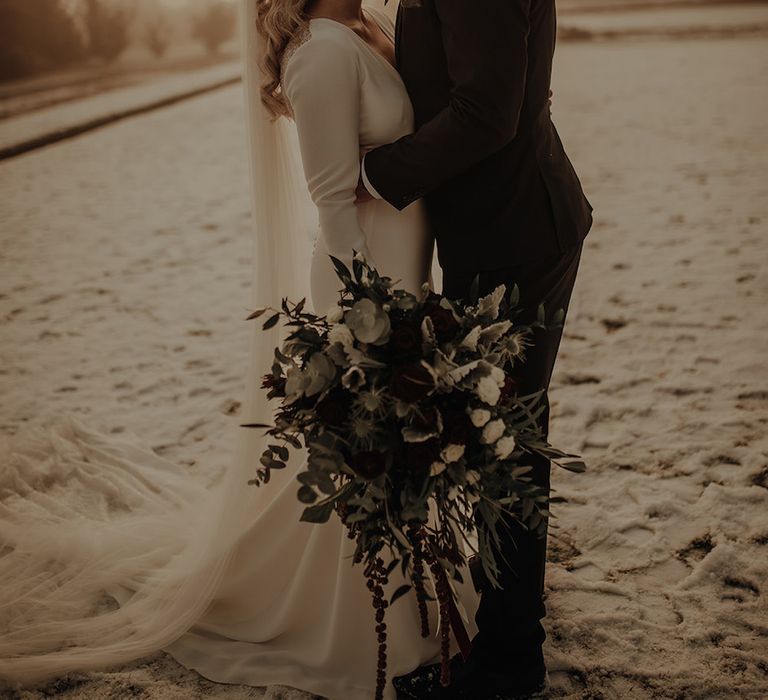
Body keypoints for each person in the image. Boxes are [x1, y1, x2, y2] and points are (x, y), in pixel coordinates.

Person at [0, 2, 479, 700]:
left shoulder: (375, 22)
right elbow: (332, 201)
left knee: (393, 449)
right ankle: (366, 625)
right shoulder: (318, 51)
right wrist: (365, 322)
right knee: (362, 453)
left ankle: (413, 591)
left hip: (406, 269)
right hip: (365, 285)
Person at [359, 1, 593, 698]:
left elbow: (487, 110)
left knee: (506, 445)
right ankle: (510, 632)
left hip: (512, 234)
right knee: (508, 440)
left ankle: (506, 665)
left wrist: (376, 175)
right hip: (511, 222)